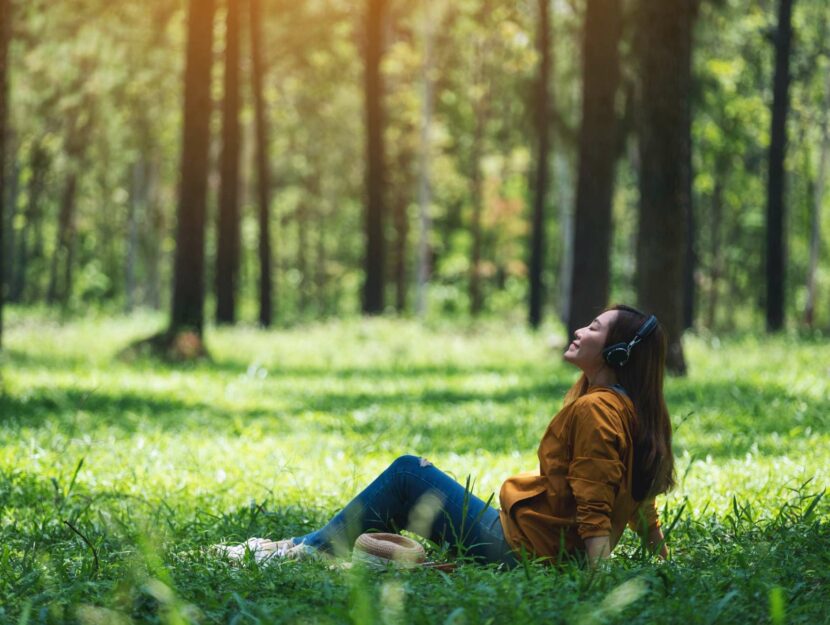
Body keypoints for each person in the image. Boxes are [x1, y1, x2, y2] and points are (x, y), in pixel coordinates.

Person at [222, 304, 674, 567]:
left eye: (594, 328)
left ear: (617, 351)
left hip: (523, 549)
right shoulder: (627, 409)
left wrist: (591, 582)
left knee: (406, 473)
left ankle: (299, 551)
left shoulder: (598, 410)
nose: (580, 330)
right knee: (409, 476)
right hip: (534, 542)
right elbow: (639, 495)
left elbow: (596, 499)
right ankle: (294, 546)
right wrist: (660, 557)